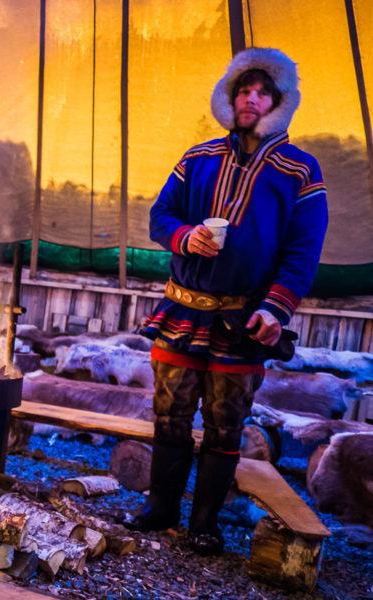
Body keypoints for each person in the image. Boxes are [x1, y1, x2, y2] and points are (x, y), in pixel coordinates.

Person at [126, 47, 328, 555]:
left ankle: (205, 525)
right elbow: (160, 215)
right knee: (170, 412)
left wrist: (275, 309)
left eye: (262, 92)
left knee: (225, 421)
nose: (250, 99)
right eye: (243, 89)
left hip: (243, 319)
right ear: (230, 96)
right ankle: (161, 510)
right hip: (183, 308)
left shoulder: (301, 171)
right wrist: (184, 236)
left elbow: (303, 253)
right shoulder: (198, 158)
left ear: (280, 103)